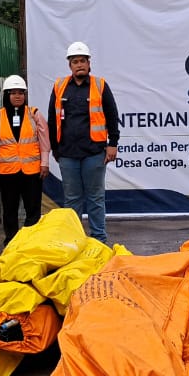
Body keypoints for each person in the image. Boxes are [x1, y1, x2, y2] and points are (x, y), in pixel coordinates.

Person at [48, 41, 119, 243]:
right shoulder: (59, 86)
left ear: (89, 64)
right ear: (70, 65)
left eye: (82, 61)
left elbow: (112, 115)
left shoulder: (100, 85)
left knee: (96, 198)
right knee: (72, 200)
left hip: (94, 152)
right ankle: (74, 240)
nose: (79, 65)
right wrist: (56, 148)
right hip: (68, 154)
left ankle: (99, 240)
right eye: (75, 61)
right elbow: (52, 119)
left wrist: (112, 143)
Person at [0, 75, 49, 247]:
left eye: (21, 92)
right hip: (7, 173)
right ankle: (11, 241)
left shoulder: (34, 115)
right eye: (13, 93)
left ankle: (31, 241)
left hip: (32, 171)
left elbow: (44, 143)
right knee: (10, 210)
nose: (17, 96)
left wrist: (45, 163)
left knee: (33, 210)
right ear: (6, 95)